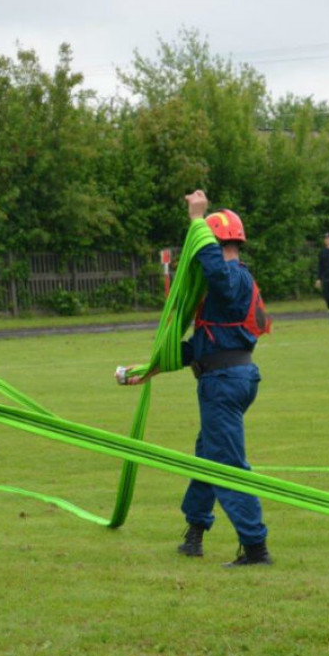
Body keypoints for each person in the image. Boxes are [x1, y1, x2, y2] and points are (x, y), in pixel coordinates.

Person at [126, 190, 271, 567]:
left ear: (218, 241)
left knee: (225, 464)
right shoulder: (224, 291)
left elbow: (216, 272)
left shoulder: (232, 279)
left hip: (224, 382)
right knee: (207, 456)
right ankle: (195, 532)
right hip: (223, 376)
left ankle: (255, 548)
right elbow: (198, 348)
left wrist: (196, 219)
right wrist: (151, 368)